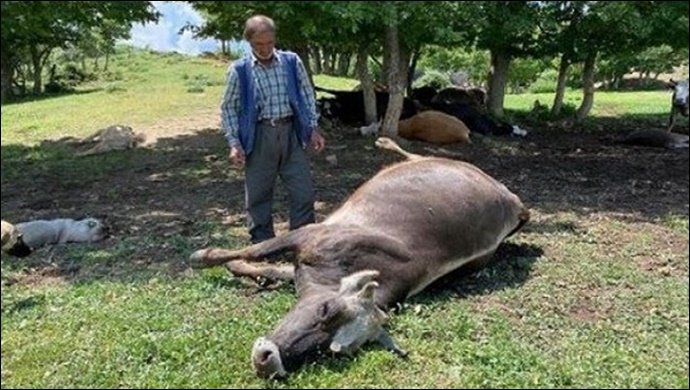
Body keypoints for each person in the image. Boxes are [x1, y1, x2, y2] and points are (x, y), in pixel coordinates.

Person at [220, 14, 326, 244]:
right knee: (258, 198)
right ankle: (263, 247)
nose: (266, 48)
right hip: (259, 137)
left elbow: (307, 95)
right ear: (248, 42)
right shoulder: (239, 70)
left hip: (291, 133)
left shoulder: (291, 61)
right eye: (259, 44)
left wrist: (313, 128)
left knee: (303, 193)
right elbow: (228, 108)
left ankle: (301, 243)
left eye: (270, 42)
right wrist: (234, 143)